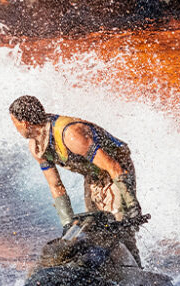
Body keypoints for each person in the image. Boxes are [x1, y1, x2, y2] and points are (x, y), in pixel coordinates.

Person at [9, 94, 145, 262]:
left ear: (25, 123)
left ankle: (135, 269)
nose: (15, 128)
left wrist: (132, 203)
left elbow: (112, 166)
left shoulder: (71, 135)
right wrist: (67, 223)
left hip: (117, 169)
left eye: (14, 123)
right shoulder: (37, 148)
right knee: (95, 227)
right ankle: (104, 267)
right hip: (94, 175)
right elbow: (56, 185)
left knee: (117, 224)